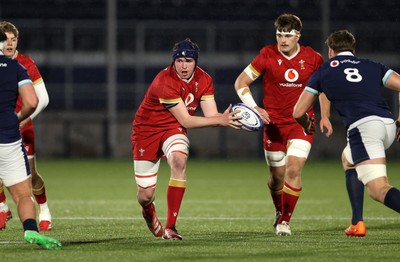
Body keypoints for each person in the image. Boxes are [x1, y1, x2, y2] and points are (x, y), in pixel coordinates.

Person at [131, 38, 242, 240]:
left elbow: (211, 117)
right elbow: (188, 120)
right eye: (179, 61)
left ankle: (171, 227)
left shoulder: (204, 79)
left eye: (189, 61)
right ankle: (148, 211)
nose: (184, 65)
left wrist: (230, 119)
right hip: (146, 131)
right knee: (145, 196)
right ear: (173, 61)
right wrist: (222, 120)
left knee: (179, 161)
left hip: (173, 128)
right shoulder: (164, 81)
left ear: (195, 62)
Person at [293, 29, 400, 236]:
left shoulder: (324, 70)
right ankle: (356, 223)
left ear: (330, 51)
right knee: (348, 158)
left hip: (364, 129)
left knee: (378, 190)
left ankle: (358, 223)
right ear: (353, 50)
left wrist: (307, 123)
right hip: (386, 125)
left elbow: (298, 112)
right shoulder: (371, 65)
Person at [234, 13, 329, 236]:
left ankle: (285, 221)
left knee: (293, 170)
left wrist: (324, 116)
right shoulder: (267, 55)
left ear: (298, 36)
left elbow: (324, 88)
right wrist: (255, 107)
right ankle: (279, 211)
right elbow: (241, 82)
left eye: (287, 35)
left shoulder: (313, 58)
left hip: (301, 124)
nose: (282, 40)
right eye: (279, 35)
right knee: (276, 177)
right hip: (273, 126)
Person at [0, 29, 61, 250]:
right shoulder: (14, 68)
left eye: (13, 39)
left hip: (20, 128)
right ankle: (4, 209)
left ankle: (44, 210)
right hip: (8, 130)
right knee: (17, 185)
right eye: (5, 39)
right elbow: (33, 100)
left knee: (31, 177)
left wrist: (23, 120)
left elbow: (42, 99)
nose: (10, 43)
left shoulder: (24, 63)